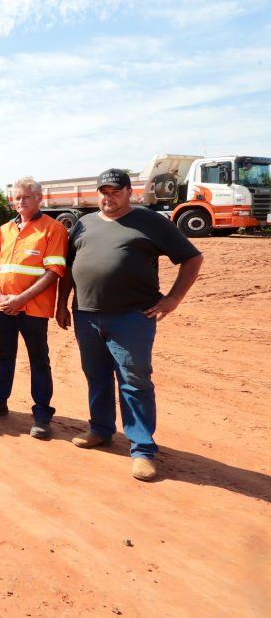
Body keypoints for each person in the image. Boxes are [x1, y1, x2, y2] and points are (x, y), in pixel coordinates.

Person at [57, 168, 203, 482]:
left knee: (134, 381)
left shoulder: (150, 222)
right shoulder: (84, 223)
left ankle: (142, 449)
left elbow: (192, 258)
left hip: (132, 317)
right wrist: (61, 304)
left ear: (128, 192)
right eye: (104, 192)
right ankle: (100, 429)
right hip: (86, 315)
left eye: (115, 191)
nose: (109, 197)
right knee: (96, 376)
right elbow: (68, 267)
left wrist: (174, 298)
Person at [0, 177, 68, 439]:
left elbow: (54, 271)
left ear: (39, 198)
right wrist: (0, 297)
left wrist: (20, 299)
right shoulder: (4, 230)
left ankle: (42, 415)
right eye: (17, 197)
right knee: (4, 355)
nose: (21, 201)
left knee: (38, 360)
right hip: (3, 306)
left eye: (26, 196)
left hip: (34, 309)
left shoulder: (53, 229)